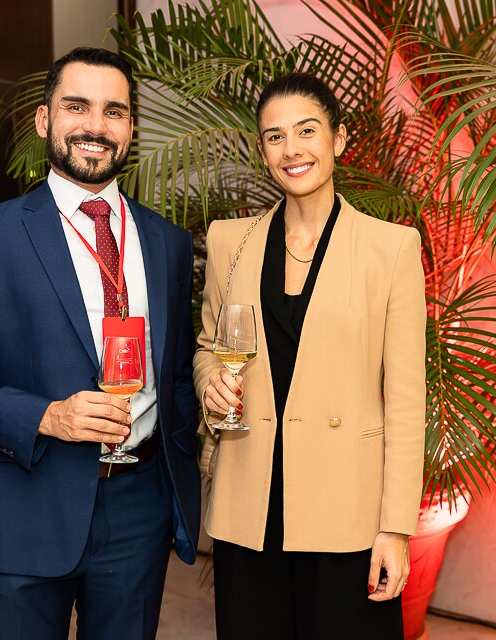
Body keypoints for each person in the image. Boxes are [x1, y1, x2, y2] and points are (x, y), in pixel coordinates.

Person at [0, 47, 200, 640]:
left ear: (131, 127)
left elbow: (175, 375)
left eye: (114, 111)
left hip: (137, 511)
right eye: (77, 107)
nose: (95, 126)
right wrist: (46, 416)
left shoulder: (169, 242)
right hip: (27, 503)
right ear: (45, 120)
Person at [194, 73, 427, 638]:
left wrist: (395, 528)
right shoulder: (230, 241)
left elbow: (404, 398)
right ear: (262, 150)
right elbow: (207, 347)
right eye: (274, 136)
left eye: (306, 131)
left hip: (346, 508)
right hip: (251, 503)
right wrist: (209, 384)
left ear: (339, 139)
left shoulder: (390, 248)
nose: (291, 149)